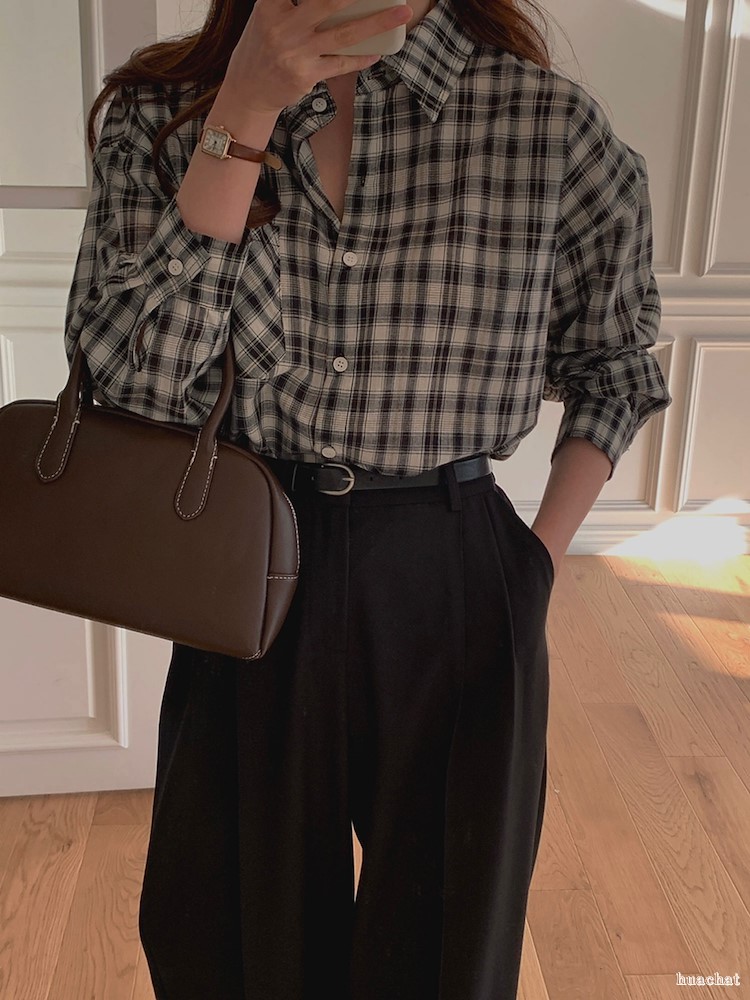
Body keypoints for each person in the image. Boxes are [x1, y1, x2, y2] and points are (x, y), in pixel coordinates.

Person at [64, 0, 672, 996]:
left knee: (446, 952)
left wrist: (535, 562)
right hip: (244, 567)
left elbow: (616, 369)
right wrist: (242, 114)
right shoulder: (164, 112)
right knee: (228, 943)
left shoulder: (546, 125)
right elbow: (131, 385)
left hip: (455, 570)